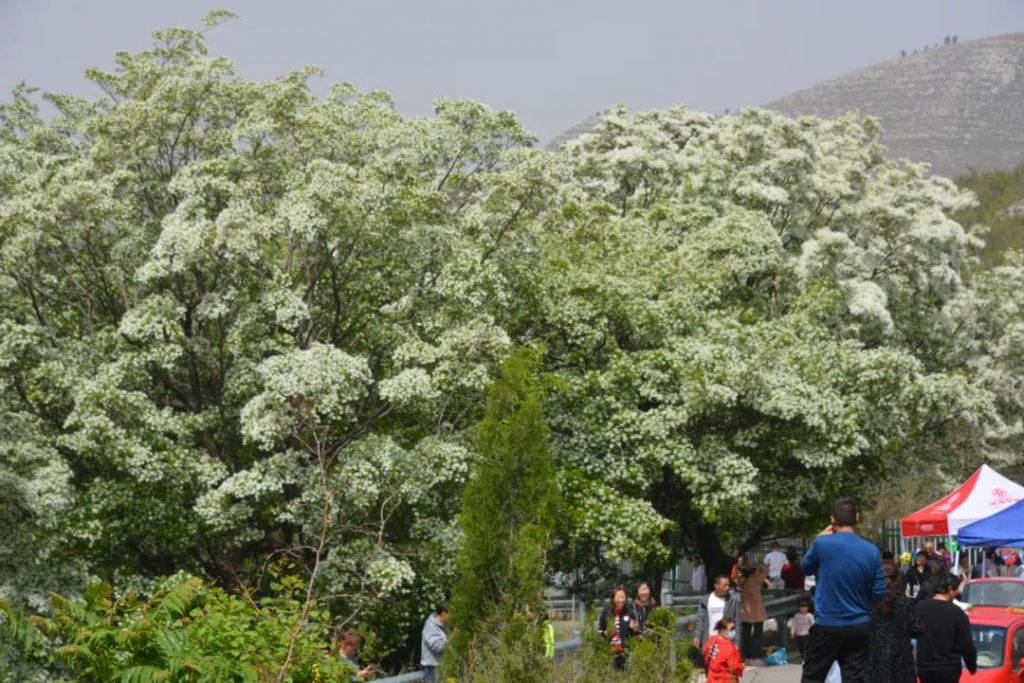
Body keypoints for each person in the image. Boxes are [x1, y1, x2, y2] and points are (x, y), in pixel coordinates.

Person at [800, 498, 886, 683]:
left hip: (827, 624)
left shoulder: (822, 544)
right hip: (859, 624)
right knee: (854, 677)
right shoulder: (871, 551)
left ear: (832, 520)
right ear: (857, 518)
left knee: (812, 676)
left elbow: (805, 567)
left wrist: (820, 537)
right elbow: (879, 592)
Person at [915, 574, 977, 683]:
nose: (958, 592)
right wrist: (971, 666)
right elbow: (966, 644)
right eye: (957, 589)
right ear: (950, 589)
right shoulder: (957, 613)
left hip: (925, 668)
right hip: (948, 669)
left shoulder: (919, 608)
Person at [867, 559, 917, 683]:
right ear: (898, 579)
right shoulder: (906, 603)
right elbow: (918, 628)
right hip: (902, 668)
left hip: (874, 667)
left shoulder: (866, 602)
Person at [694, 575, 743, 656]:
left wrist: (737, 643)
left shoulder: (732, 600)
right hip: (710, 639)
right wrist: (697, 636)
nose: (727, 588)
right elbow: (700, 620)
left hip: (726, 640)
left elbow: (737, 623)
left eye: (728, 585)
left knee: (724, 666)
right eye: (724, 585)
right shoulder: (706, 600)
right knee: (710, 666)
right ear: (716, 585)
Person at [598, 585, 639, 670]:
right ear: (613, 599)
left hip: (626, 651)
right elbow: (600, 631)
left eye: (623, 597)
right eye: (618, 597)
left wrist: (635, 630)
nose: (621, 600)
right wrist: (606, 633)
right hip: (610, 649)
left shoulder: (630, 612)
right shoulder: (606, 612)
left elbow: (636, 634)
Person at [738, 562, 769, 661]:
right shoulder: (757, 579)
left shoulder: (741, 580)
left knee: (745, 634)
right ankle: (756, 654)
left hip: (745, 612)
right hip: (757, 611)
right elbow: (765, 570)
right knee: (757, 635)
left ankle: (745, 654)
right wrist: (758, 566)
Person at [704, 617, 744, 683]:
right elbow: (734, 667)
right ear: (722, 631)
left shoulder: (710, 641)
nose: (734, 631)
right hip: (725, 679)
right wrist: (741, 666)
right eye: (731, 629)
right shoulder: (730, 647)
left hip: (711, 679)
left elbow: (706, 659)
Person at [420, 604, 449, 682]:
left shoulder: (442, 626)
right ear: (443, 614)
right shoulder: (430, 627)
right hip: (432, 669)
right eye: (450, 614)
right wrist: (453, 638)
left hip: (441, 666)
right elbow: (439, 647)